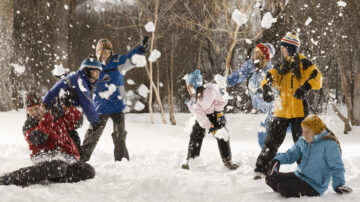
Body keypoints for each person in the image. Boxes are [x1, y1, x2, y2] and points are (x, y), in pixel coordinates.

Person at [253, 32, 323, 179]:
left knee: (302, 143)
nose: (282, 50)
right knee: (271, 142)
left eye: (284, 48)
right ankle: (261, 168)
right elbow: (269, 77)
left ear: (291, 48)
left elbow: (317, 77)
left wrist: (305, 87)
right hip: (281, 110)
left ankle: (306, 171)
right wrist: (266, 87)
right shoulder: (282, 65)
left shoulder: (304, 63)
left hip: (299, 111)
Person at [0, 92, 95, 186]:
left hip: (65, 156)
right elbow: (38, 139)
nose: (34, 112)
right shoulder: (29, 124)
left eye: (37, 108)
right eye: (30, 110)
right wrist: (48, 118)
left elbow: (78, 122)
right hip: (44, 155)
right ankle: (10, 178)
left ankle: (52, 176)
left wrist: (67, 107)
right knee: (58, 166)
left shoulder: (57, 116)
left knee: (88, 170)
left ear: (43, 106)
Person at [80, 37, 149, 162]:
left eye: (108, 52)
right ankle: (81, 159)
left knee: (120, 135)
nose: (106, 55)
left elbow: (131, 58)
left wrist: (142, 50)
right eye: (103, 52)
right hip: (100, 105)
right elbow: (81, 76)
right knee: (93, 134)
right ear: (98, 53)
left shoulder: (117, 61)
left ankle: (122, 161)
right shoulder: (94, 65)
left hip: (117, 104)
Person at [265, 115, 352, 197]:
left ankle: (287, 186)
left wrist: (339, 185)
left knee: (283, 187)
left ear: (316, 131)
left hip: (315, 185)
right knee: (270, 177)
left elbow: (337, 167)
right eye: (303, 131)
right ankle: (288, 185)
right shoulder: (304, 140)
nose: (304, 135)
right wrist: (277, 160)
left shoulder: (329, 145)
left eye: (307, 132)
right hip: (300, 175)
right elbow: (292, 153)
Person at [181, 70, 239, 170]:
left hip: (215, 113)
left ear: (196, 86)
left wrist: (218, 112)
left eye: (190, 86)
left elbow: (222, 100)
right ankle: (192, 160)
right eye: (187, 86)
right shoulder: (189, 98)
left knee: (222, 135)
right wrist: (210, 128)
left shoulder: (211, 89)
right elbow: (199, 115)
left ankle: (227, 160)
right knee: (195, 135)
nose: (188, 89)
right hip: (203, 116)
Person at [43, 56, 102, 150]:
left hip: (55, 112)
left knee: (73, 138)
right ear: (86, 70)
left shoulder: (77, 78)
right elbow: (87, 104)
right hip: (53, 113)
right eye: (95, 73)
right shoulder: (80, 82)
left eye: (98, 74)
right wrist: (96, 122)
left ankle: (72, 155)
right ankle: (73, 157)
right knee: (73, 144)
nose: (96, 77)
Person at [227, 43, 275, 148]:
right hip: (261, 106)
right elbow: (241, 74)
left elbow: (273, 90)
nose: (255, 54)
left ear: (264, 54)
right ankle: (267, 155)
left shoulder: (270, 70)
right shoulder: (252, 64)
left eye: (258, 52)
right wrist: (228, 81)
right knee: (264, 135)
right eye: (254, 51)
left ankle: (267, 156)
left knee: (266, 133)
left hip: (270, 106)